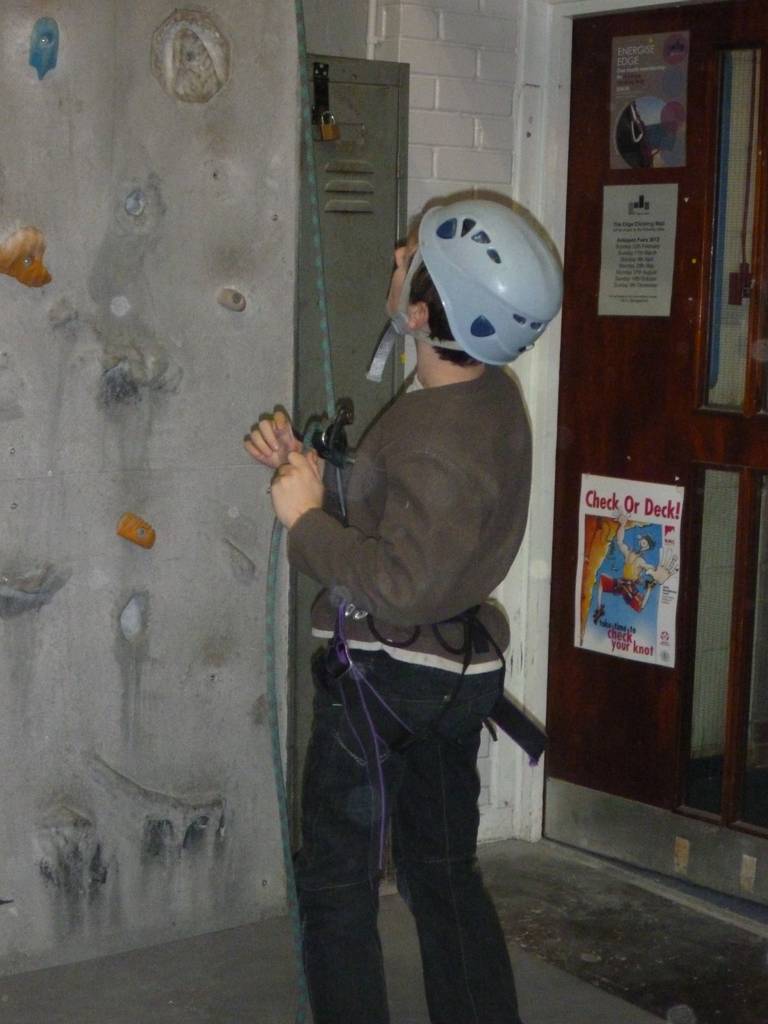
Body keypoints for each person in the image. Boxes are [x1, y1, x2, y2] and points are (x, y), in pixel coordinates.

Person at [244, 198, 562, 1024]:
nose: (396, 254)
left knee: (337, 883)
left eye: (407, 258)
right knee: (440, 870)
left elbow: (397, 583)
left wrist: (306, 522)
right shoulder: (485, 403)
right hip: (451, 684)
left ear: (419, 312)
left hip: (387, 685)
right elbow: (414, 509)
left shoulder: (434, 429)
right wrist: (312, 469)